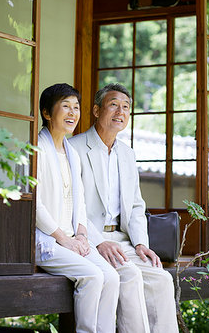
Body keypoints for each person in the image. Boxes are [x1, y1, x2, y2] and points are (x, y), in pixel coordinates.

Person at [69, 83, 179, 333]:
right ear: (97, 111)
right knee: (129, 276)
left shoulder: (127, 154)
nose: (121, 112)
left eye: (126, 107)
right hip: (89, 238)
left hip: (123, 240)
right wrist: (96, 241)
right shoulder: (75, 148)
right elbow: (73, 206)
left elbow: (137, 206)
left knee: (161, 278)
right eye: (114, 105)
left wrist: (141, 243)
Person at [35, 83, 119, 333]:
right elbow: (35, 204)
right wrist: (63, 238)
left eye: (76, 107)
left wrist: (81, 235)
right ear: (47, 113)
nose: (72, 113)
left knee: (112, 277)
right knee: (93, 276)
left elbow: (79, 201)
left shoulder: (72, 152)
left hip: (72, 239)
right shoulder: (37, 149)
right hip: (47, 240)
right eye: (65, 107)